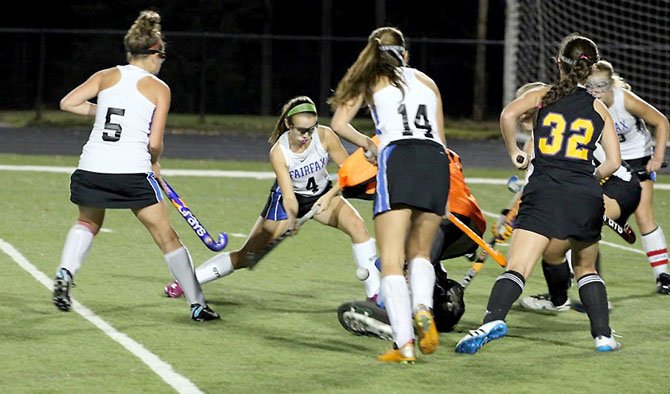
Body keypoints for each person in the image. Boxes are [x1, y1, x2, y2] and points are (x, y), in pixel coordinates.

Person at [454, 33, 622, 354]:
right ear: (590, 69)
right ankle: (603, 336)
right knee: (586, 269)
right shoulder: (600, 109)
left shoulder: (544, 95)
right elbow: (613, 162)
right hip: (585, 195)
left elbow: (506, 116)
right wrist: (588, 177)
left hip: (544, 190)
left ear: (559, 63)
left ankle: (492, 320)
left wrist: (515, 152)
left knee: (517, 266)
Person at [53, 10, 219, 321]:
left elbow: (68, 103)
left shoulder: (105, 76)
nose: (162, 60)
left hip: (92, 168)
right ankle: (197, 304)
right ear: (153, 51)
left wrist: (102, 109)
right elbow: (154, 142)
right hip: (132, 171)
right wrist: (155, 164)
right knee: (166, 236)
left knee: (88, 222)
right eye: (162, 54)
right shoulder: (159, 88)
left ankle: (65, 272)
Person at [163, 96, 381, 301]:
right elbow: (288, 194)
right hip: (286, 204)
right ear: (288, 124)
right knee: (246, 256)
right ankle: (187, 281)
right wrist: (293, 218)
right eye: (302, 131)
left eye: (311, 129)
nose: (307, 136)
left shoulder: (325, 136)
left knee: (358, 228)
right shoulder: (279, 152)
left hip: (323, 195)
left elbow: (347, 173)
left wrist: (329, 196)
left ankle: (375, 296)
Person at [329, 26, 450, 363]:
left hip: (400, 158)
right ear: (405, 54)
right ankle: (423, 308)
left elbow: (339, 123)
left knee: (392, 261)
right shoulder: (427, 82)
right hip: (436, 161)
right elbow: (442, 139)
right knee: (421, 252)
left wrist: (369, 143)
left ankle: (404, 344)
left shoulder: (371, 80)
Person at [337, 147, 486, 340]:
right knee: (421, 257)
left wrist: (333, 191)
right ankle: (420, 305)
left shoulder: (394, 138)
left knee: (398, 259)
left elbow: (351, 177)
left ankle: (393, 311)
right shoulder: (441, 145)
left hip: (434, 213)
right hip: (469, 230)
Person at [584, 60, 670, 294]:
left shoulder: (625, 100)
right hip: (608, 161)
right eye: (591, 86)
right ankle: (579, 275)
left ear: (611, 84)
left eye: (601, 85)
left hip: (638, 158)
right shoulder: (586, 103)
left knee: (644, 217)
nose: (596, 91)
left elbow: (661, 122)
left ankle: (663, 275)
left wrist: (657, 156)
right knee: (588, 215)